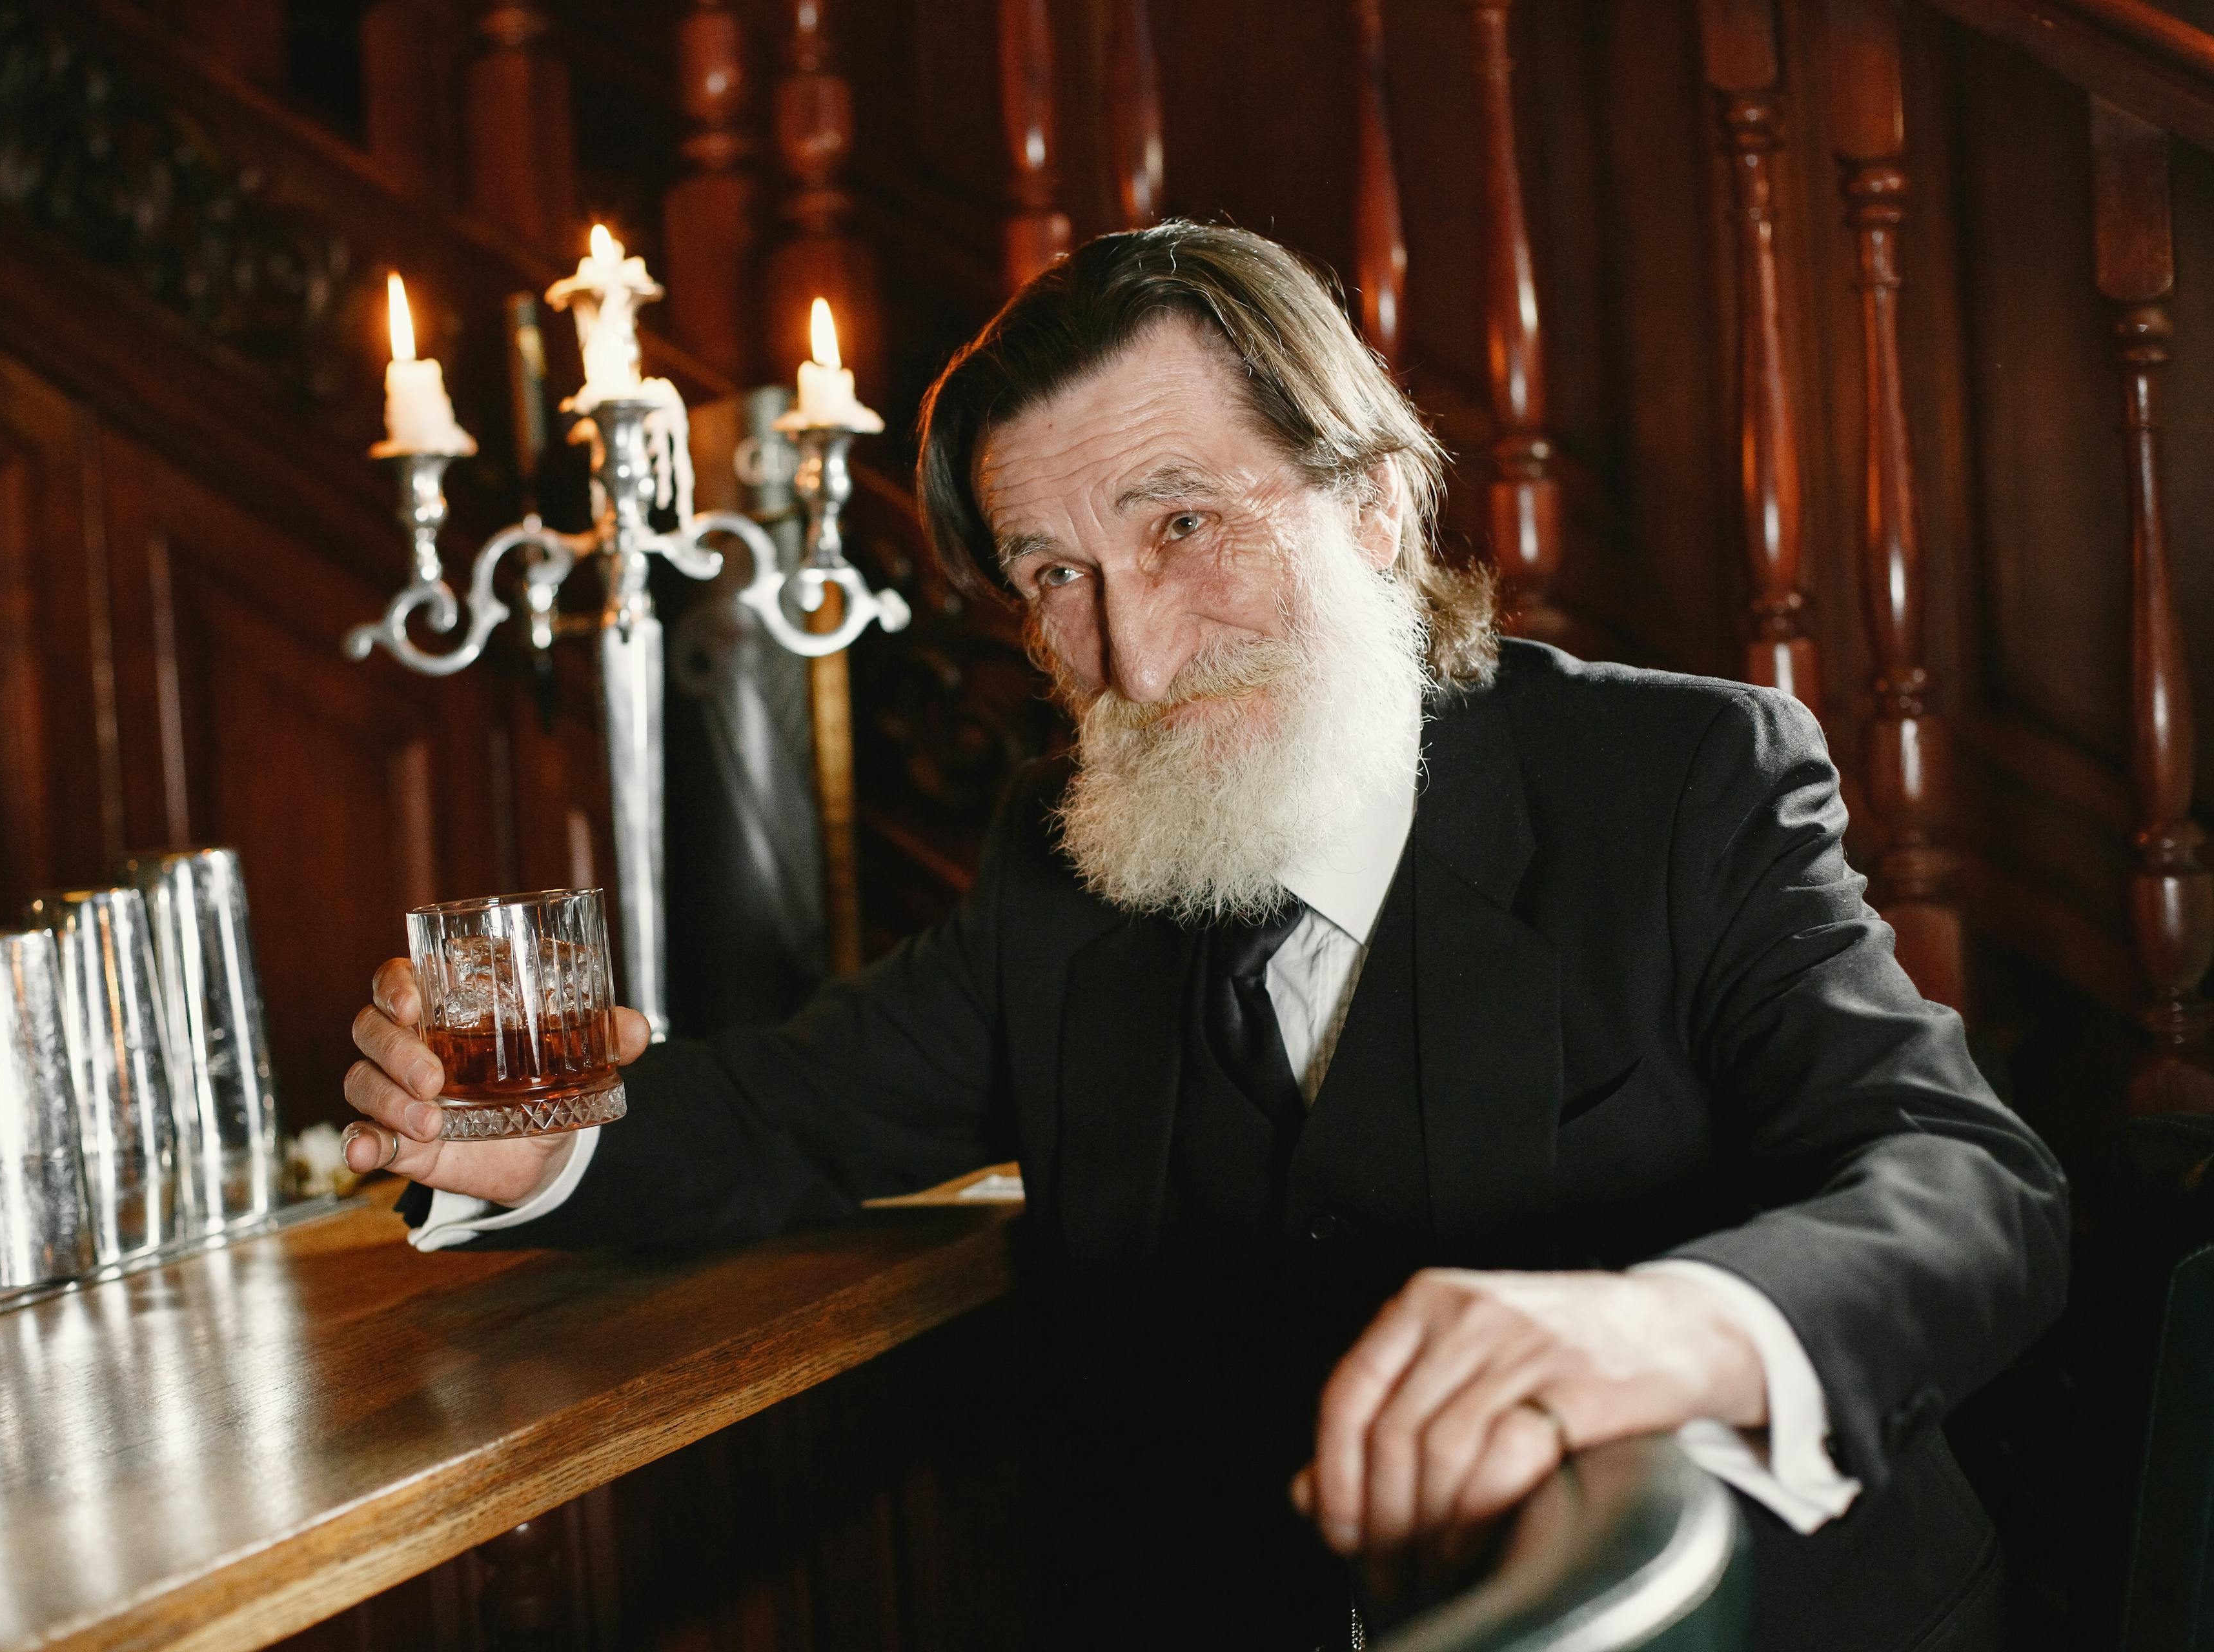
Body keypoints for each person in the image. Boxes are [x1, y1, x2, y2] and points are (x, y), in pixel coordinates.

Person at [342, 222, 2067, 1651]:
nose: (1136, 661)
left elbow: (1967, 1183)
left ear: (1378, 508)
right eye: (1054, 576)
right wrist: (523, 1135)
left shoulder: (1679, 780)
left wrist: (1676, 1329)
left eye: (1180, 525)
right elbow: (790, 1110)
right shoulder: (1064, 864)